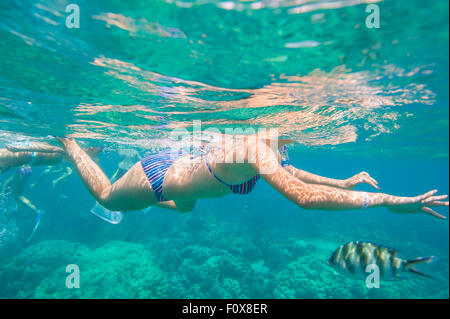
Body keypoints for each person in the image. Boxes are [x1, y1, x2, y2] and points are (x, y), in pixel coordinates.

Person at [50, 133, 448, 220]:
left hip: (184, 172)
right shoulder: (256, 148)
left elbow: (293, 173)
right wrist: (392, 202)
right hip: (158, 175)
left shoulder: (271, 148)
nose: (292, 139)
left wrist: (342, 183)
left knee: (186, 208)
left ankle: (92, 153)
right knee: (105, 196)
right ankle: (70, 145)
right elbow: (302, 196)